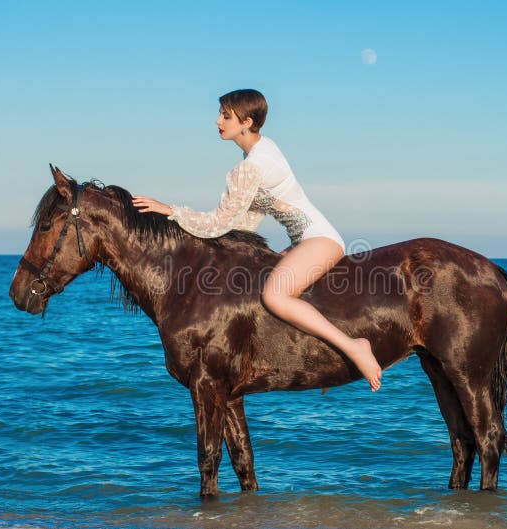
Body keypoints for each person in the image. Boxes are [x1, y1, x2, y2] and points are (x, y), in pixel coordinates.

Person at [132, 89, 382, 391]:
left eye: (226, 116)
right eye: (220, 114)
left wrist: (170, 211)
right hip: (305, 240)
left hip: (319, 240)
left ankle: (353, 347)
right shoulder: (262, 150)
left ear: (246, 122)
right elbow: (245, 222)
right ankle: (325, 353)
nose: (217, 121)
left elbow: (219, 222)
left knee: (275, 296)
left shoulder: (249, 167)